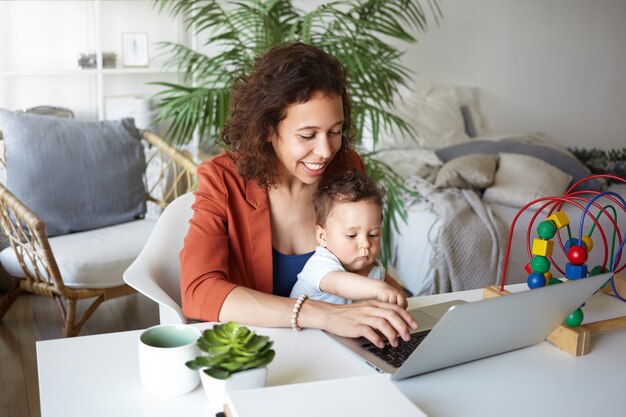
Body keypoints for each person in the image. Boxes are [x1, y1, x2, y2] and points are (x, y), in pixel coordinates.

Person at [180, 42, 417, 348]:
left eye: (335, 132)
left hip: (341, 347)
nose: (325, 151)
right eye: (307, 135)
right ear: (267, 128)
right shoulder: (223, 180)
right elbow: (199, 290)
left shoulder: (346, 169)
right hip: (256, 350)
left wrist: (391, 301)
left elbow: (360, 260)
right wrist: (323, 315)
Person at [290, 170, 408, 307]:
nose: (365, 243)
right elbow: (337, 284)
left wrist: (401, 300)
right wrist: (379, 288)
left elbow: (399, 295)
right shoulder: (321, 264)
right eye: (351, 236)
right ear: (323, 236)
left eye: (373, 235)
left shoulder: (373, 269)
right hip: (300, 327)